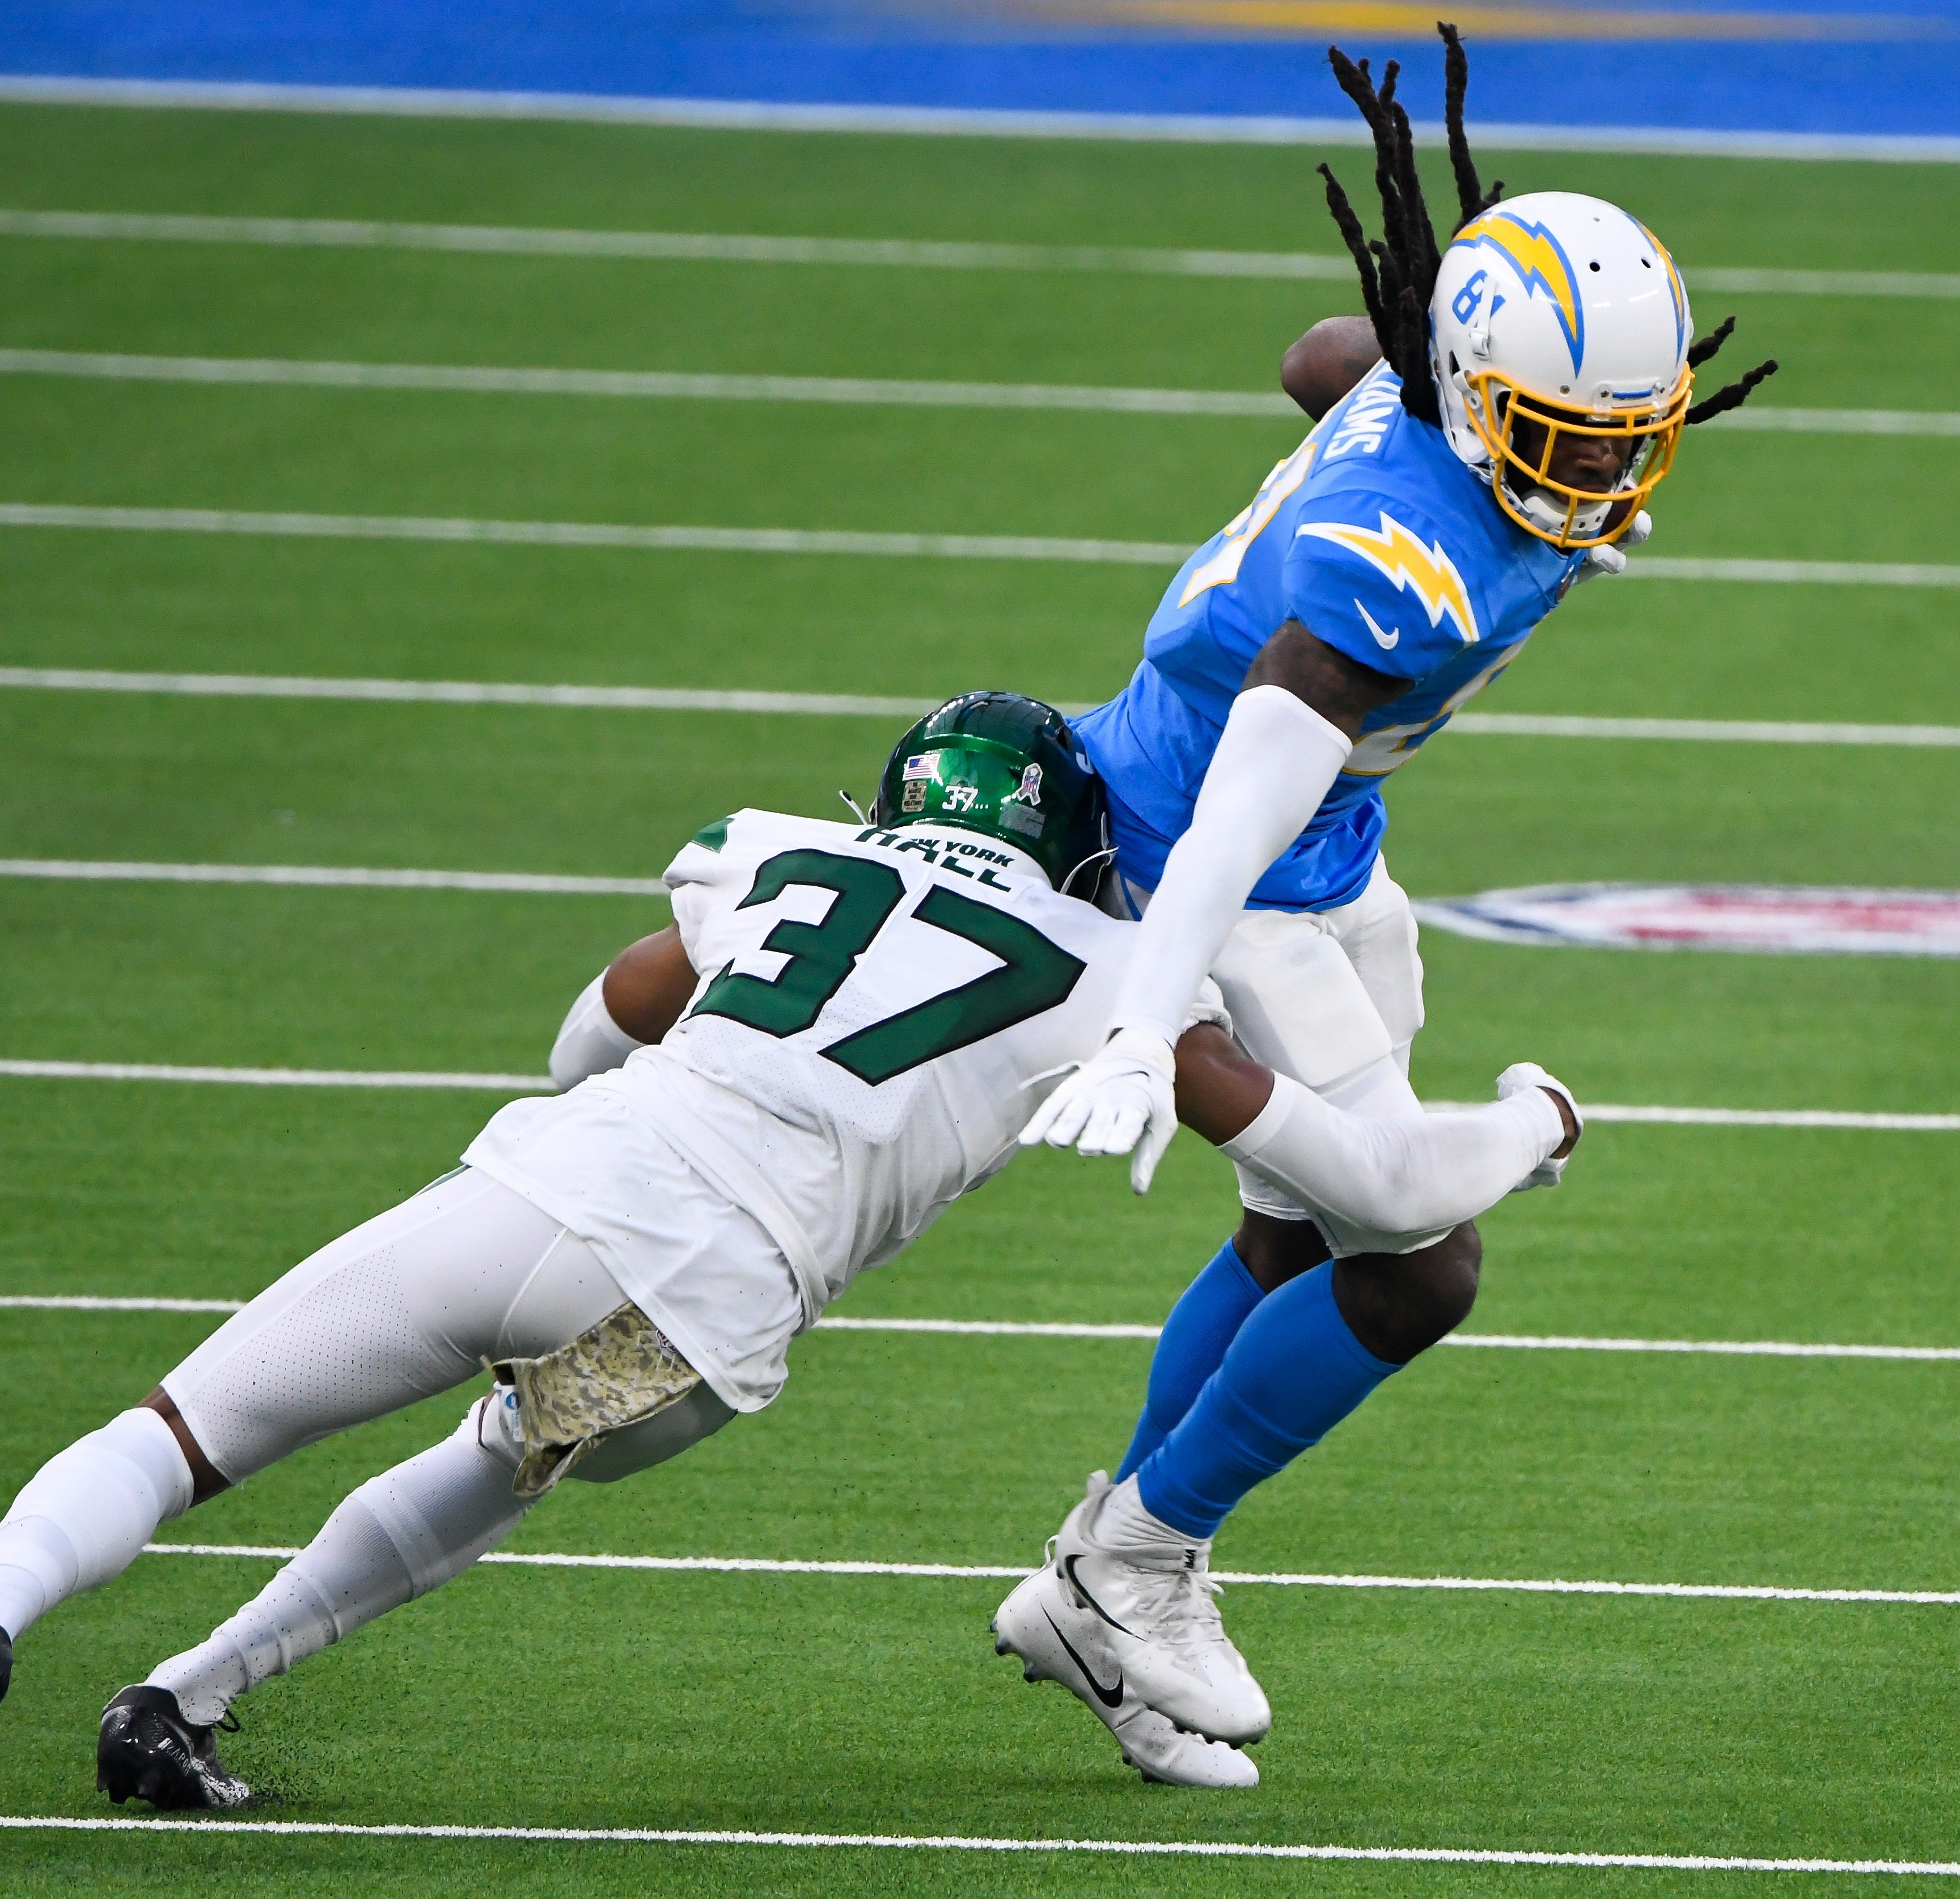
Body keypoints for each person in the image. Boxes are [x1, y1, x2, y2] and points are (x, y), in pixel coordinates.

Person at [0, 692, 1581, 1804]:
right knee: (501, 1463)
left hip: (556, 1192)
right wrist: (1533, 1126)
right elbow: (1371, 1190)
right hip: (696, 1325)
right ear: (1089, 850)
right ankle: (187, 1696)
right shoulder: (1120, 969)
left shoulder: (770, 859)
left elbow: (580, 1045)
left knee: (182, 1434)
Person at [1009, 27, 1775, 1753]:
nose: (1595, 481)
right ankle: (1134, 1561)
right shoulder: (1393, 582)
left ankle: (1102, 1581)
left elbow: (1324, 351)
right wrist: (1147, 1024)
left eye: (1617, 439)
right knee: (1417, 1265)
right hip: (1214, 857)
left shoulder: (1425, 388)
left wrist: (1402, 395)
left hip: (1328, 851)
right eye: (1560, 439)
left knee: (1294, 1237)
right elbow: (1228, 825)